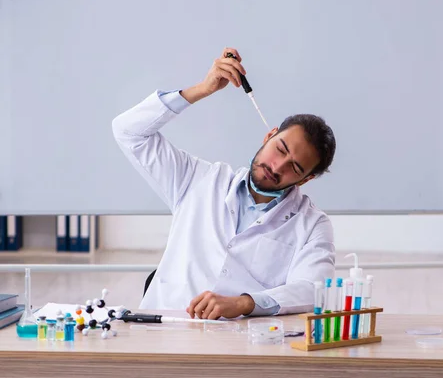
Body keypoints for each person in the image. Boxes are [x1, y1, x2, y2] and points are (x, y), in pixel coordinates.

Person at [112, 47, 337, 320]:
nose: (277, 167)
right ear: (269, 136)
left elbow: (312, 289)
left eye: (295, 167)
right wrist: (201, 90)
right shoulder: (198, 179)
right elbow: (128, 131)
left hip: (237, 342)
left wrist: (243, 303)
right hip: (162, 328)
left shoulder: (312, 224)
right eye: (280, 149)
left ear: (307, 178)